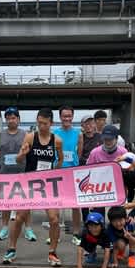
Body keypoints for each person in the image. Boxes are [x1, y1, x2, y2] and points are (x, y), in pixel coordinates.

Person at [2, 107, 64, 266]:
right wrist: (23, 153)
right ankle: (11, 249)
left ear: (51, 123)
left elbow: (60, 160)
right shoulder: (30, 137)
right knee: (19, 217)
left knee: (54, 219)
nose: (41, 126)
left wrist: (55, 173)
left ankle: (52, 252)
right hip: (29, 183)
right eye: (39, 123)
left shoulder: (57, 141)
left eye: (44, 123)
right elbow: (18, 160)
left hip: (47, 184)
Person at [0, 107, 37, 242]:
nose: (11, 120)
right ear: (5, 120)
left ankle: (28, 229)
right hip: (5, 174)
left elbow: (30, 154)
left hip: (22, 174)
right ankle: (5, 228)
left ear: (18, 119)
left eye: (13, 118)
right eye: (8, 118)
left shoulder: (26, 135)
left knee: (25, 203)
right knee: (6, 203)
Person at [54, 105, 83, 245]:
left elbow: (79, 154)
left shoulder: (79, 133)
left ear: (72, 116)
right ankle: (55, 234)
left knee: (75, 205)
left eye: (69, 116)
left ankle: (76, 233)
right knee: (56, 204)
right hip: (57, 172)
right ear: (60, 117)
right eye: (64, 116)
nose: (67, 118)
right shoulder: (54, 133)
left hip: (73, 173)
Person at [85, 125, 128, 218]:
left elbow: (129, 171)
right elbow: (87, 171)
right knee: (97, 216)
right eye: (105, 139)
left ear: (116, 139)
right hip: (99, 189)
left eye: (110, 139)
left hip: (117, 189)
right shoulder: (95, 153)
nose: (108, 142)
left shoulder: (123, 152)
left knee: (118, 216)